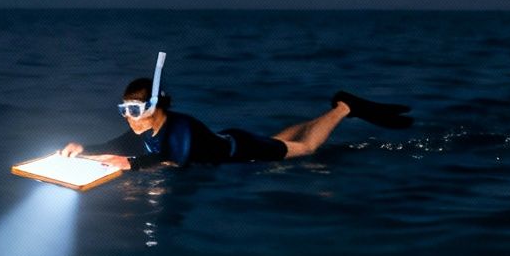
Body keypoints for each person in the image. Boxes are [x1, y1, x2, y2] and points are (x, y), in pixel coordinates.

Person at [60, 78, 412, 170]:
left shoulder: (179, 127)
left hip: (242, 151)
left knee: (304, 149)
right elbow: (119, 146)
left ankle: (343, 109)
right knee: (279, 140)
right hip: (234, 139)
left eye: (134, 110)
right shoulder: (144, 129)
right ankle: (334, 108)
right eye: (123, 109)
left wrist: (132, 165)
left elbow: (175, 159)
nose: (127, 117)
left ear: (154, 108)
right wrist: (85, 150)